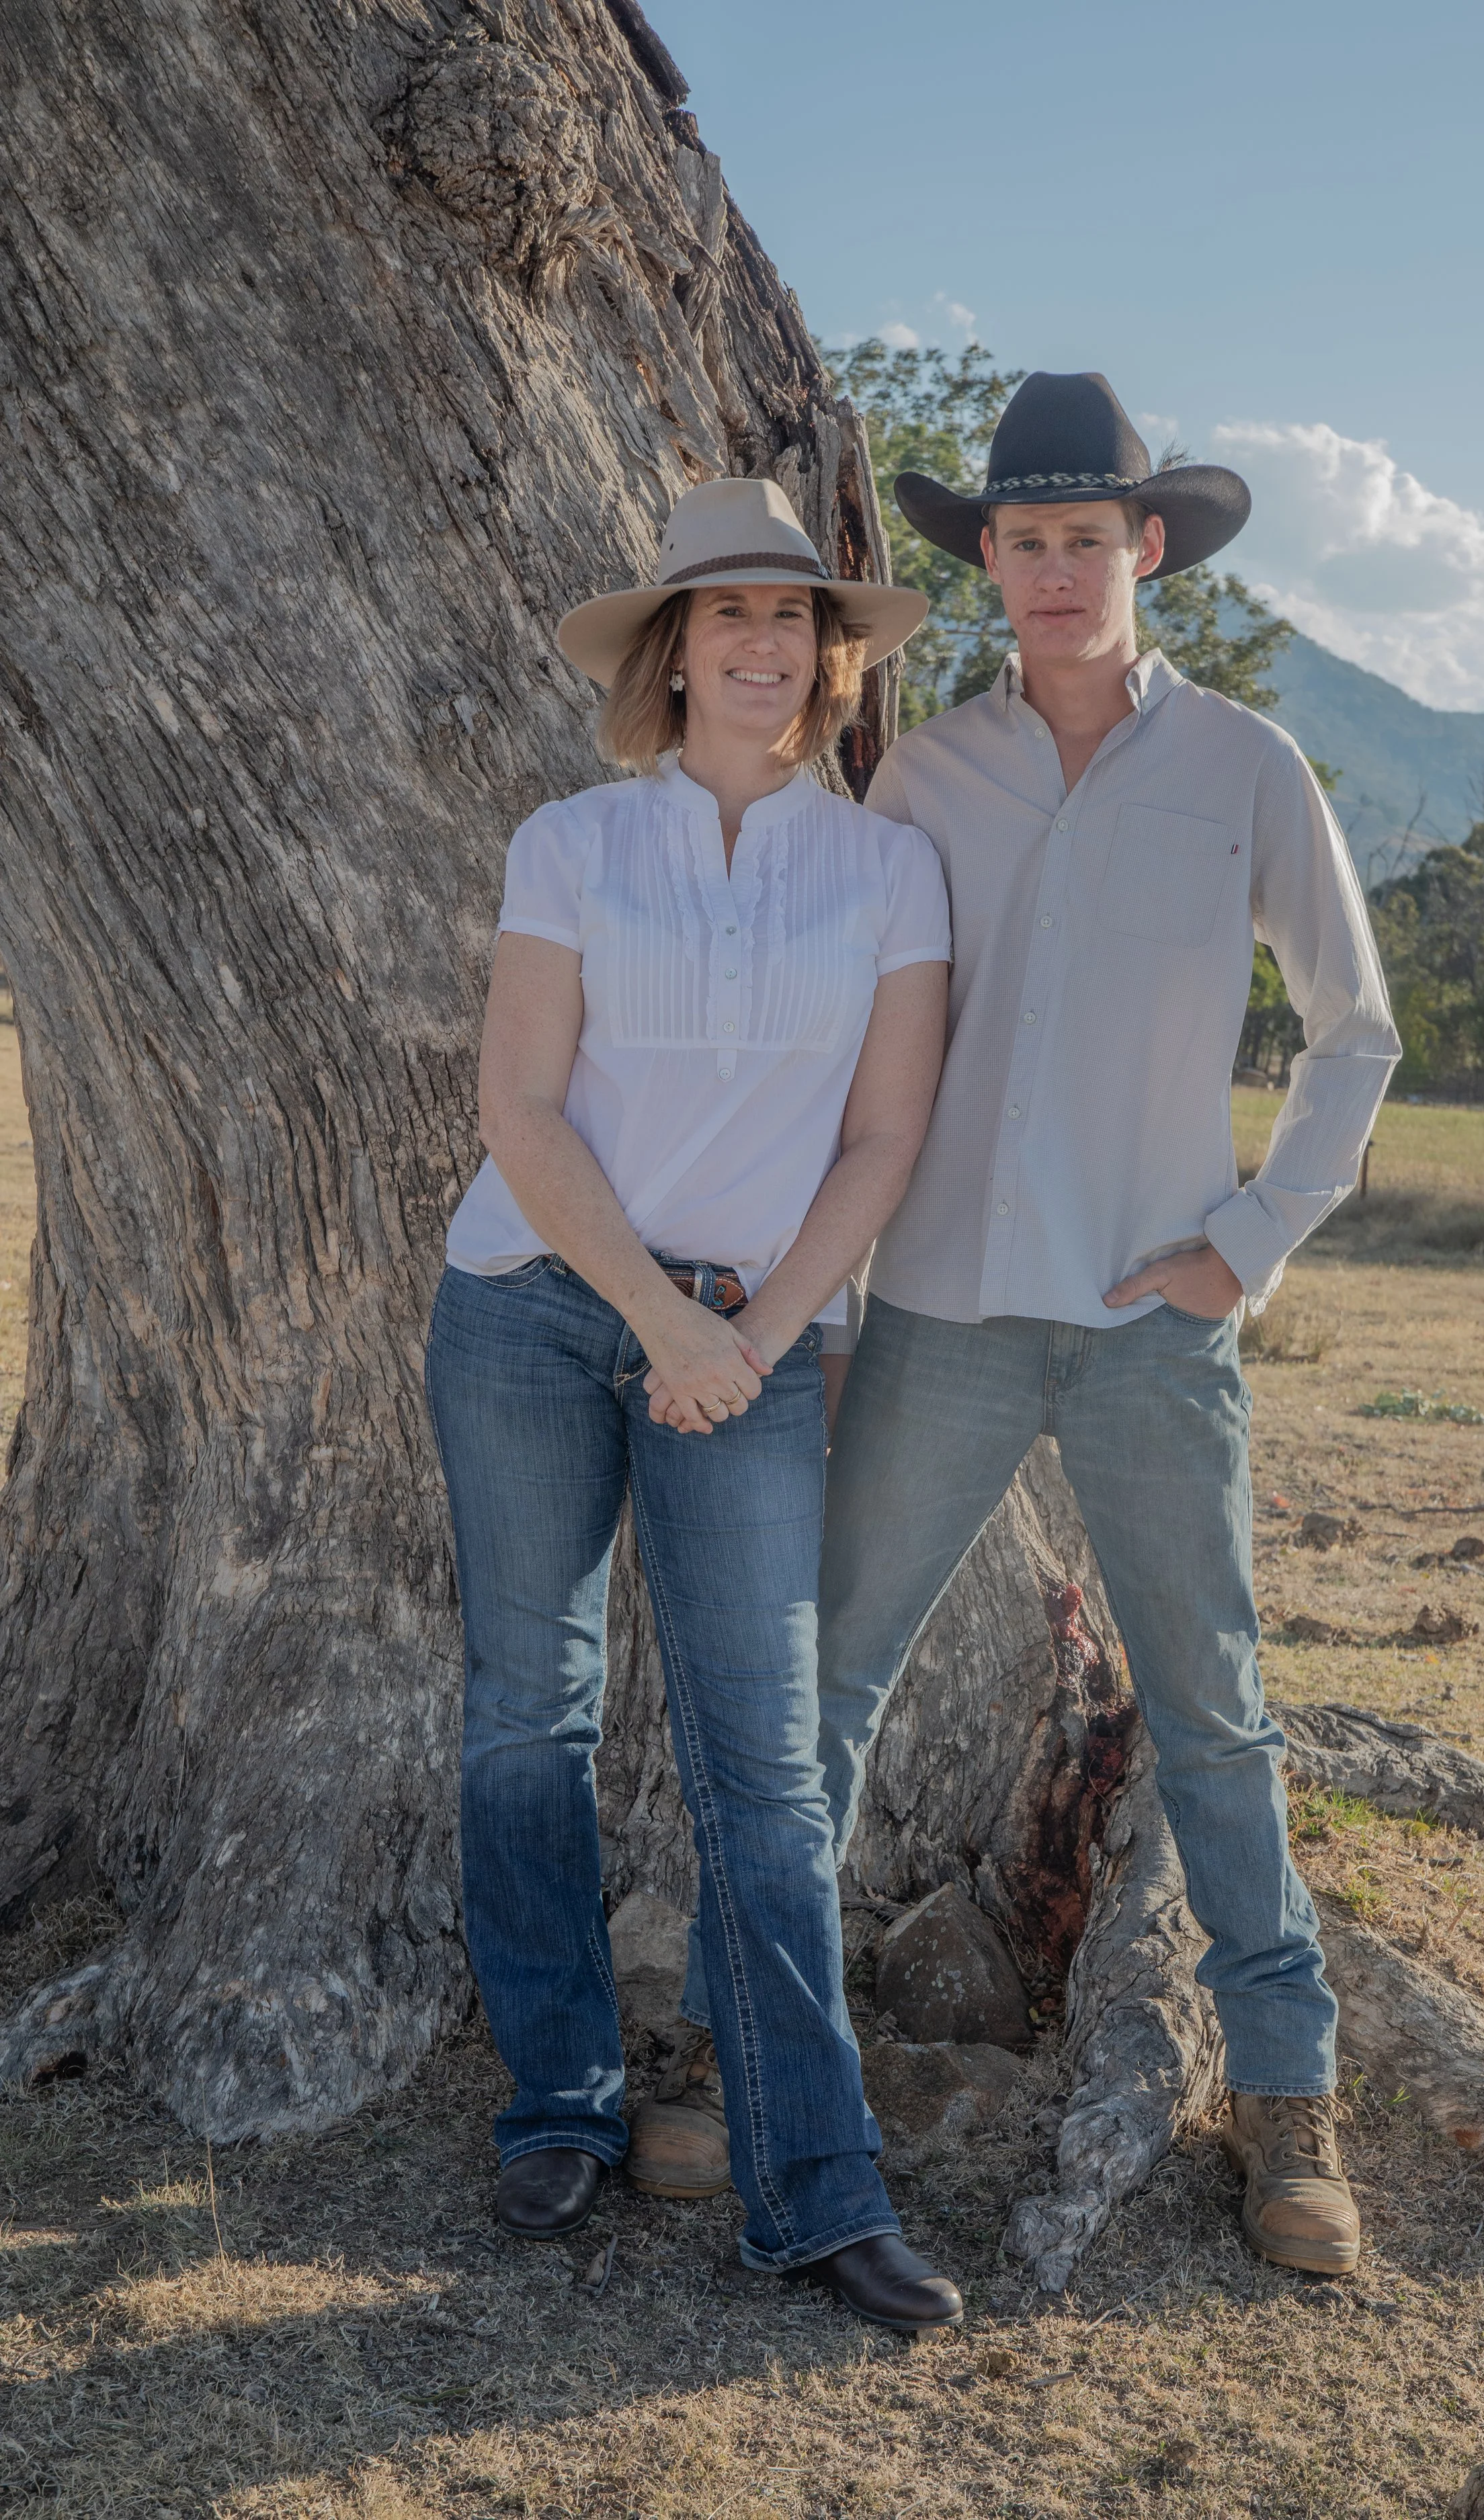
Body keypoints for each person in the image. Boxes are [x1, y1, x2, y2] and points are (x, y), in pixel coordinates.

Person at [817, 373, 1401, 2278]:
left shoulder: (1242, 769)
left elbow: (1352, 1030)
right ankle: (761, 2054)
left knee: (1216, 1720)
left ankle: (1288, 2106)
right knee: (824, 1692)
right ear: (982, 560)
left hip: (1154, 1325)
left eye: (1088, 537)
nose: (1054, 569)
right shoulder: (923, 775)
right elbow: (848, 1035)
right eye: (1021, 539)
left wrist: (1247, 1239)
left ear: (1146, 550)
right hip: (939, 1305)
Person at [426, 476, 963, 2331]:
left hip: (756, 1333)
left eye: (790, 618)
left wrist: (751, 1333)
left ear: (830, 659)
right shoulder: (570, 841)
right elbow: (521, 1112)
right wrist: (660, 1317)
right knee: (529, 1711)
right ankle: (557, 2097)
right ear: (668, 654)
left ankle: (815, 2182)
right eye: (720, 615)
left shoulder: (889, 868)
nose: (758, 643)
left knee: (762, 1762)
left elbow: (884, 1134)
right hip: (530, 1308)